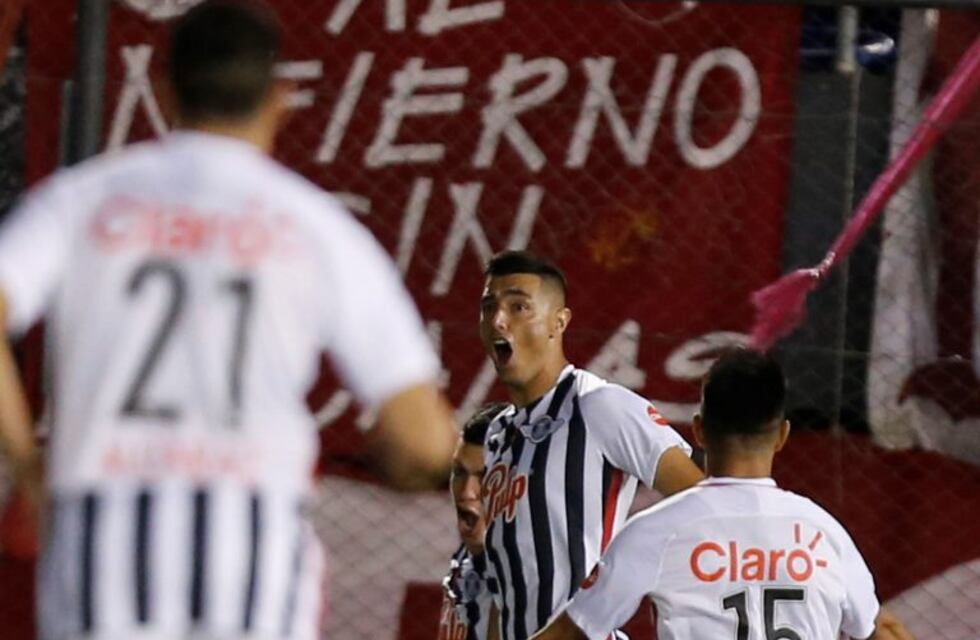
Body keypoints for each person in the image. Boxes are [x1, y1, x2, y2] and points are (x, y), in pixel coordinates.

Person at [0, 2, 457, 639]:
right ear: (279, 97)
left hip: (102, 529)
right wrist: (407, 464)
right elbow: (424, 439)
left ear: (164, 90)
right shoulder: (315, 226)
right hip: (251, 540)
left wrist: (26, 462)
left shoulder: (85, 199)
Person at [529, 349, 915, 640]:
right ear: (781, 435)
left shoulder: (655, 531)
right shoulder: (822, 530)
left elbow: (570, 634)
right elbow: (879, 629)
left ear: (698, 430)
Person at [477, 250, 704, 640]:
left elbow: (705, 503)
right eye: (489, 306)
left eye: (518, 306)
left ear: (558, 322)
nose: (499, 319)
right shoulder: (498, 436)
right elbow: (506, 583)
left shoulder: (599, 405)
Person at [439, 402, 507, 640]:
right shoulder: (469, 558)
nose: (467, 492)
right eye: (459, 472)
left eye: (485, 477)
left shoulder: (540, 581)